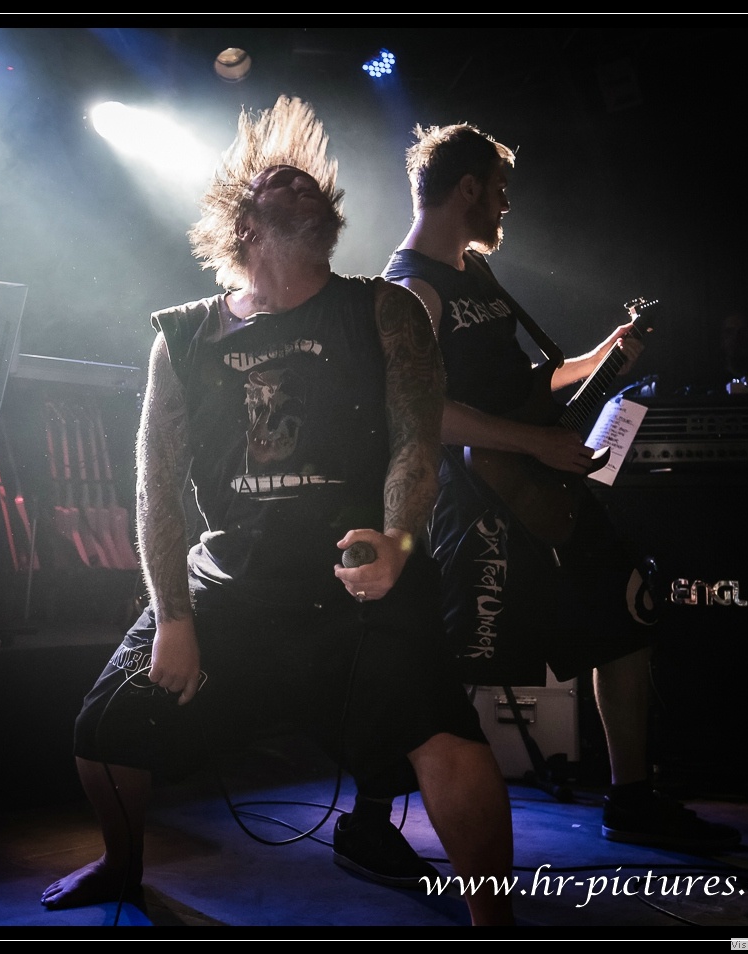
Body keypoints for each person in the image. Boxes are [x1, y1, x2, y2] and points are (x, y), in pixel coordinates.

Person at [39, 98, 516, 927]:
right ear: (243, 224)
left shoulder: (384, 309)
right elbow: (156, 485)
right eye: (279, 182)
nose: (302, 185)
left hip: (359, 575)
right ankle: (122, 865)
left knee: (443, 734)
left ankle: (493, 919)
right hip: (235, 580)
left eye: (311, 184)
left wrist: (399, 542)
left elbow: (416, 442)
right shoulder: (183, 337)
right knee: (102, 726)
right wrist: (174, 618)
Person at [367, 121, 741, 857]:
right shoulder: (412, 289)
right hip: (474, 504)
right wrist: (536, 441)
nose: (505, 206)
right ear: (467, 188)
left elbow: (525, 384)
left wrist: (602, 356)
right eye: (499, 190)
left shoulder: (477, 274)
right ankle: (371, 816)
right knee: (449, 660)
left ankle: (631, 797)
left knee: (626, 611)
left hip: (542, 486)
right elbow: (420, 411)